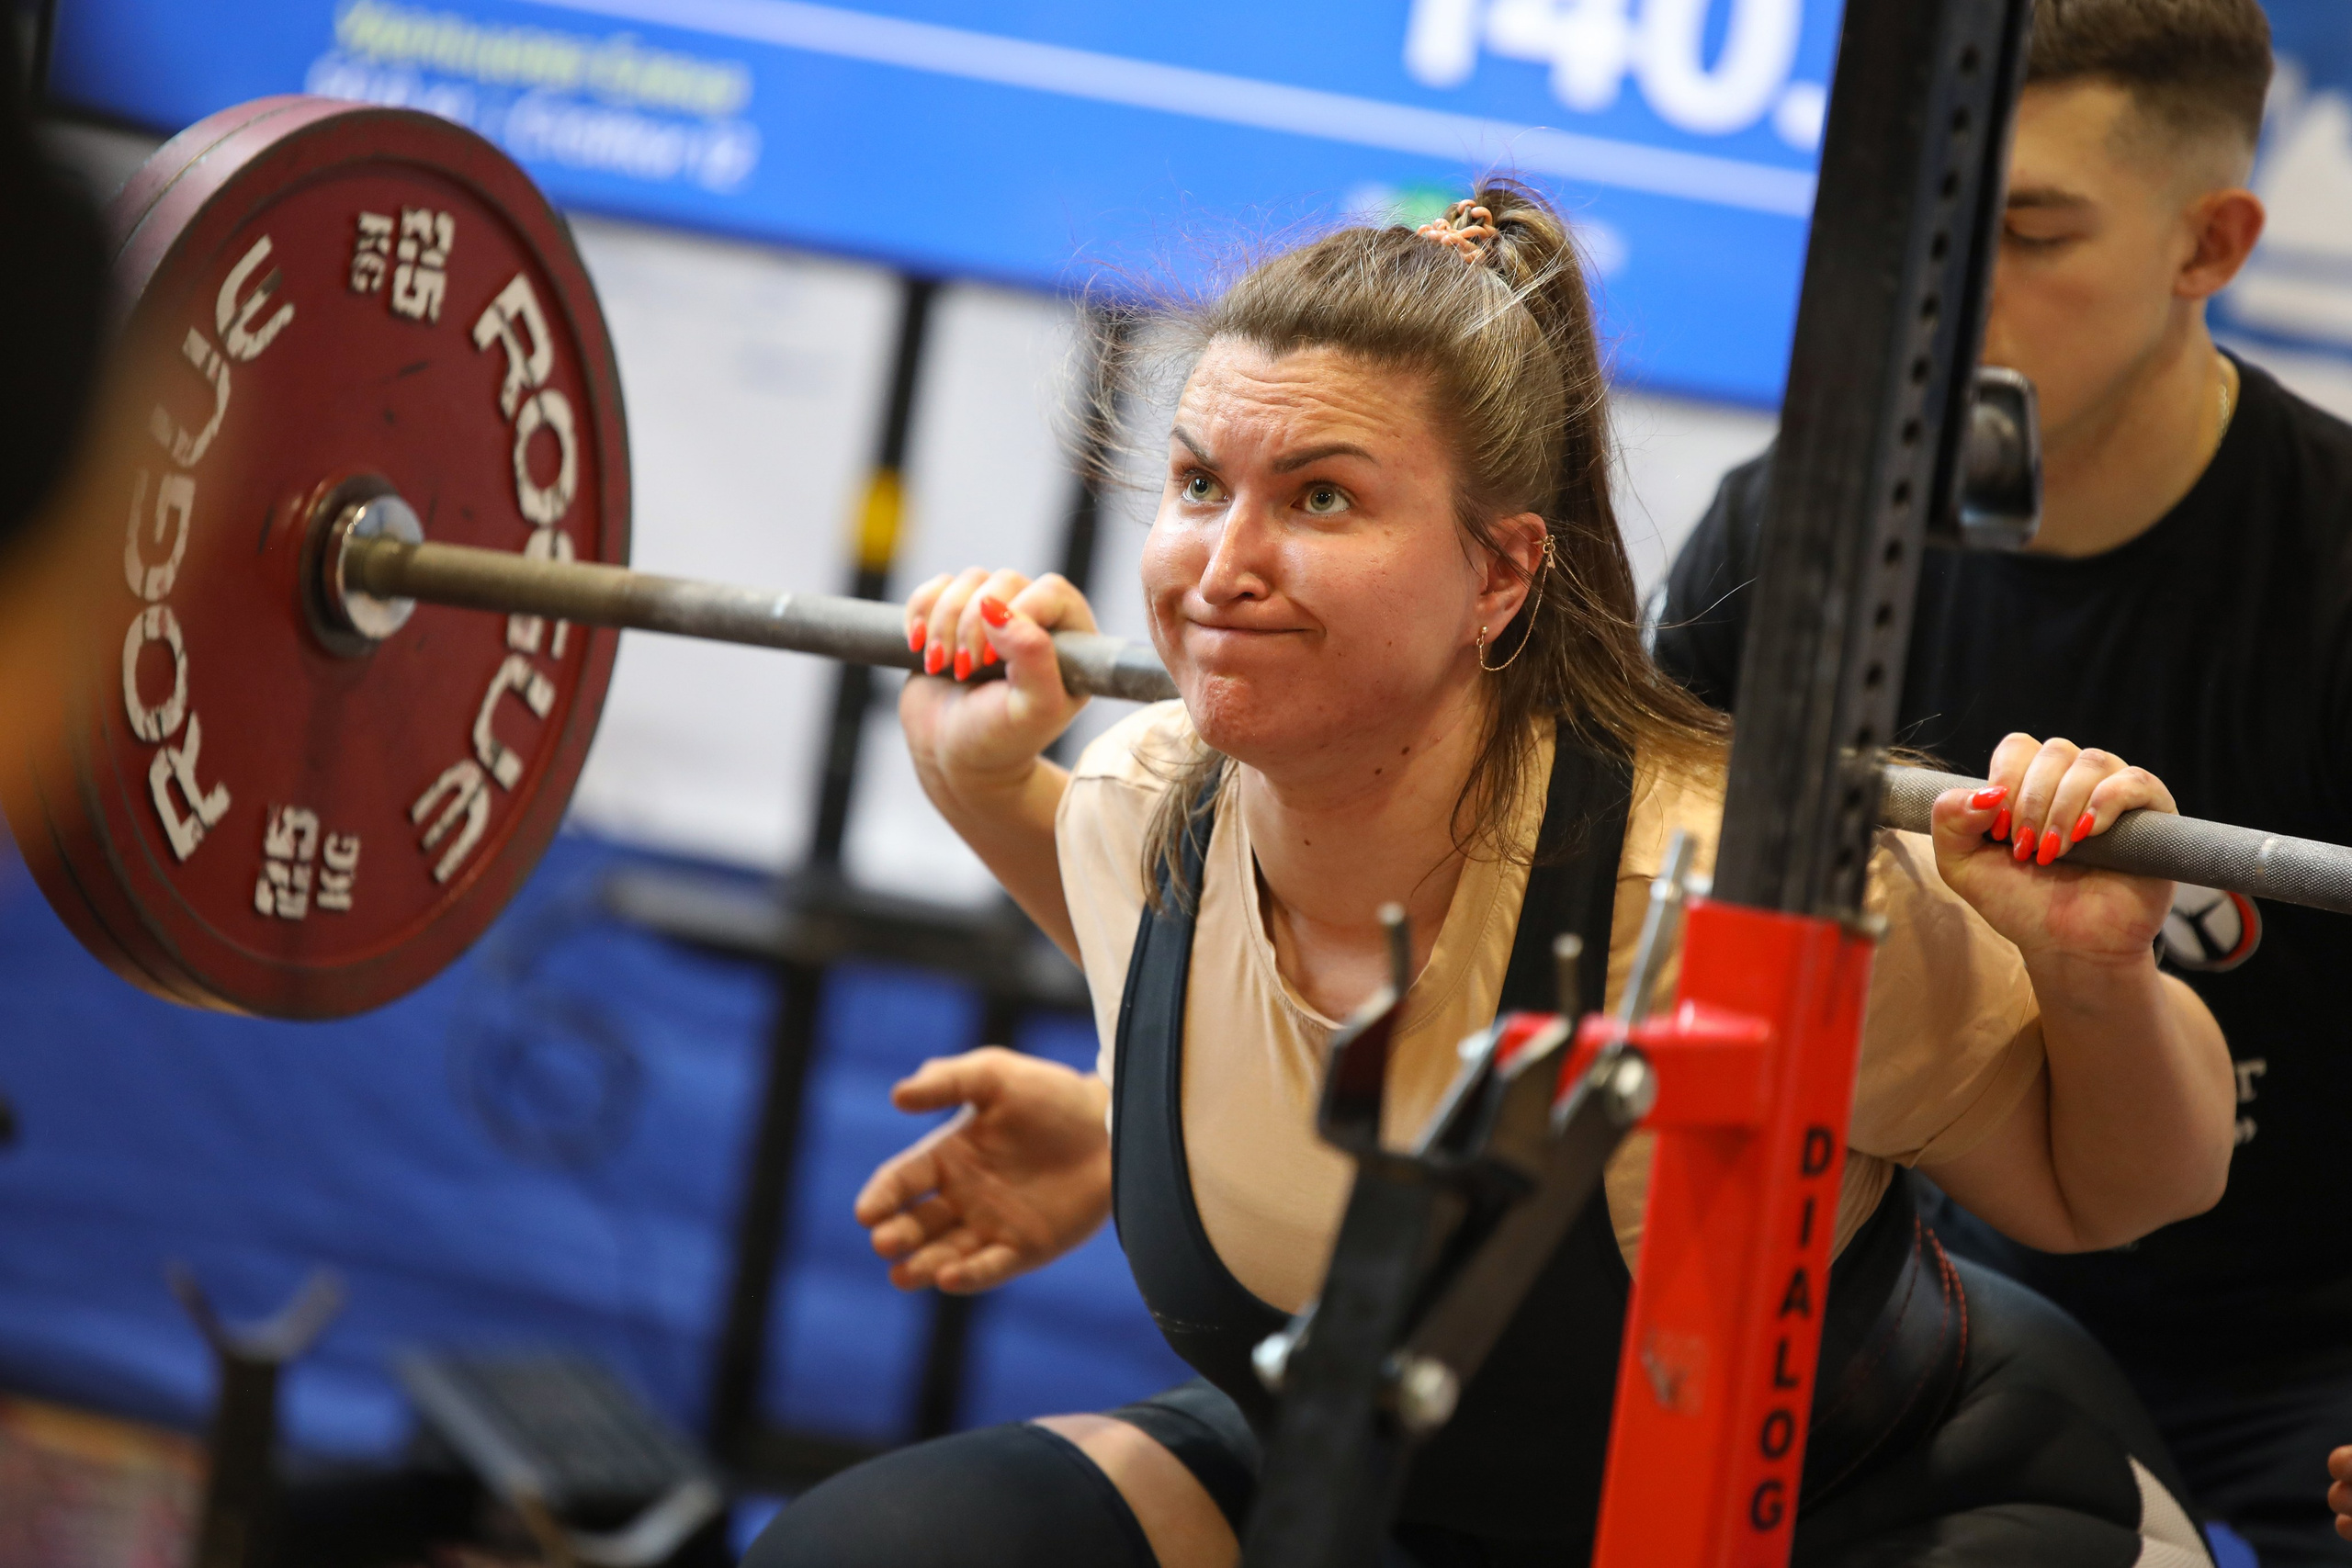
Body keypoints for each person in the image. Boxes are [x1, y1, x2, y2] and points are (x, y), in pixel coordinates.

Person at [745, 185, 2233, 1568]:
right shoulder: (1146, 802)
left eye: (1321, 499)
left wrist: (2092, 972)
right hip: (1395, 1495)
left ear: (1503, 574)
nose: (1222, 563)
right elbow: (1167, 969)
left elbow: (2105, 1193)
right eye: (1201, 484)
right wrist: (972, 775)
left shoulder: (1724, 885)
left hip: (1874, 1514)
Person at [1650, 2, 2352, 1562]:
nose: (1947, 288)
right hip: (1914, 1298)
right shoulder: (1781, 539)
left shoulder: (2334, 569)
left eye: (2032, 230)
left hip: (2309, 1354)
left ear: (2209, 246)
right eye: (1925, 220)